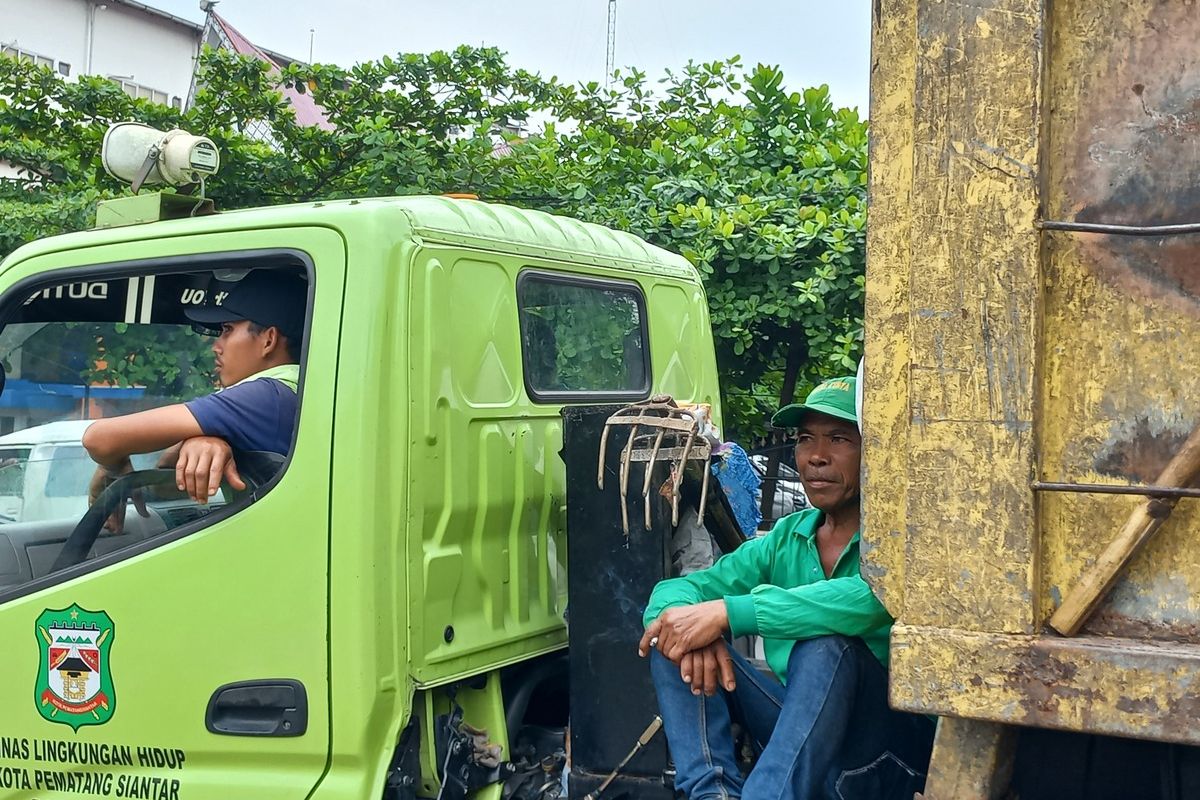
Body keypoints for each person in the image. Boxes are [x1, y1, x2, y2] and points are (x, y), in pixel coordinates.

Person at [637, 376, 935, 800]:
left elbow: (873, 598)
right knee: (676, 635)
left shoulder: (901, 537)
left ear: (877, 452)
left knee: (826, 646)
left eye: (839, 439)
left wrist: (726, 613)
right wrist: (689, 627)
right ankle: (712, 794)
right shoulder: (787, 536)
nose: (816, 457)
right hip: (799, 743)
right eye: (805, 439)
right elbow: (680, 590)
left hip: (885, 756)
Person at [82, 270, 306, 526]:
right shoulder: (296, 387)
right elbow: (168, 472)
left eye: (227, 330)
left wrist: (113, 467)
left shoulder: (266, 396)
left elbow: (99, 439)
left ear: (269, 340)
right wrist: (206, 436)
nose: (216, 345)